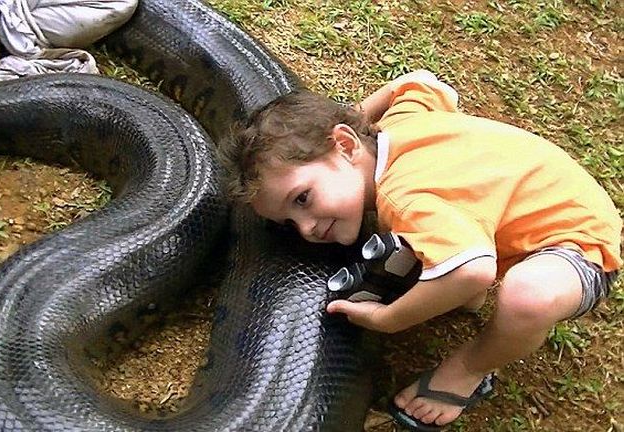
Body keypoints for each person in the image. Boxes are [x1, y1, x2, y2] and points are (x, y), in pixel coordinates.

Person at [218, 69, 622, 431]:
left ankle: (467, 370)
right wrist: (347, 124)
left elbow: (474, 272)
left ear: (345, 146)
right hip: (543, 202)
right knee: (437, 255)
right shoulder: (397, 125)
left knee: (527, 296)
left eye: (302, 198)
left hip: (578, 243)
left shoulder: (406, 197)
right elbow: (421, 82)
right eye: (289, 222)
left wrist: (391, 318)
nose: (305, 229)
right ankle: (456, 263)